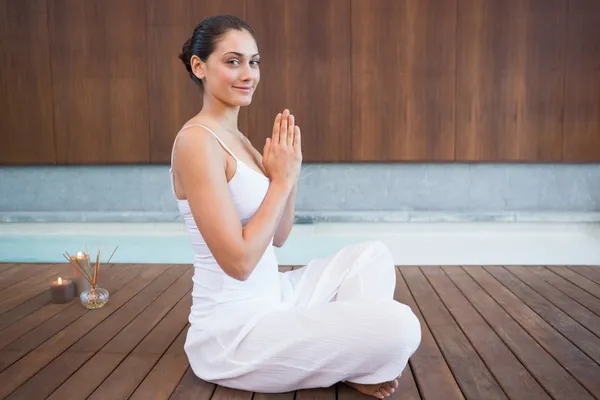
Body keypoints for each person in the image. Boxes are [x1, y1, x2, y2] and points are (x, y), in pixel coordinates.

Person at [170, 15, 421, 399]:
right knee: (401, 325)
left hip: (278, 300)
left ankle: (350, 356)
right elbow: (238, 263)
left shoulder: (240, 140)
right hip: (235, 333)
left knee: (372, 255)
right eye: (232, 61)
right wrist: (281, 183)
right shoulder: (196, 142)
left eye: (253, 62)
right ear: (199, 66)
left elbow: (280, 237)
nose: (247, 73)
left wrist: (290, 176)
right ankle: (357, 356)